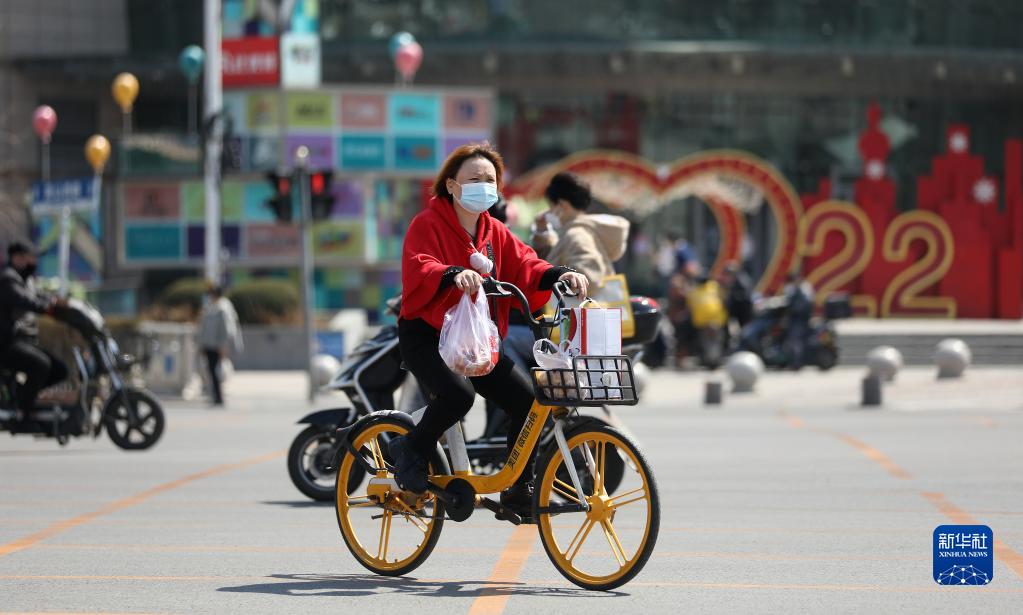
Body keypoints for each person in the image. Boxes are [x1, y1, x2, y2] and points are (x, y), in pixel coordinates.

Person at [392, 143, 588, 517]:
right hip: (427, 336)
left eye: (490, 180)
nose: (484, 185)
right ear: (451, 185)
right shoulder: (426, 223)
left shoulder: (494, 230)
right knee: (457, 395)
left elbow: (526, 264)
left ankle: (518, 487)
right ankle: (411, 449)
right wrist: (451, 273)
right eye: (474, 179)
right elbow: (420, 265)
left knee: (529, 402)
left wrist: (559, 274)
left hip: (476, 341)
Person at [503, 172, 630, 371]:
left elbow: (588, 277)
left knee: (507, 340)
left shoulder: (576, 234)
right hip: (574, 327)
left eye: (551, 206)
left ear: (561, 205)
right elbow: (557, 259)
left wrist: (565, 278)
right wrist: (543, 234)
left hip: (570, 330)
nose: (549, 211)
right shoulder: (578, 232)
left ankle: (526, 390)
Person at [0, 240, 67, 416]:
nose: (34, 262)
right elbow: (26, 300)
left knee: (60, 370)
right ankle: (21, 412)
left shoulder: (24, 280)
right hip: (6, 344)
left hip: (22, 341)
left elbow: (40, 296)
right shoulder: (7, 279)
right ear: (17, 258)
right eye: (30, 258)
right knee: (41, 365)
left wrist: (58, 302)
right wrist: (48, 306)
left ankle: (20, 398)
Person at [196, 284, 243, 407]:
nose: (209, 296)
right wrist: (202, 344)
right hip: (209, 344)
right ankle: (214, 395)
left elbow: (227, 329)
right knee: (211, 371)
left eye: (210, 294)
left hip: (217, 345)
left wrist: (223, 346)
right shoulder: (209, 307)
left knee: (216, 371)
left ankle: (218, 396)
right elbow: (203, 328)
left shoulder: (223, 308)